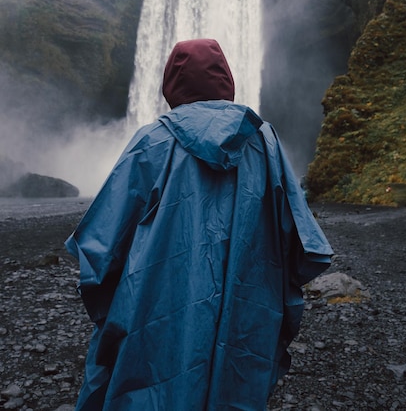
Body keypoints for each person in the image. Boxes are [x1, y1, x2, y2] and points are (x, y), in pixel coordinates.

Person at [66, 38, 333, 411]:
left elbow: (101, 246)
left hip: (155, 307)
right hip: (248, 302)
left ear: (172, 84)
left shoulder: (151, 141)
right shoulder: (263, 140)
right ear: (226, 79)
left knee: (151, 382)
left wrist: (114, 305)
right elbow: (303, 242)